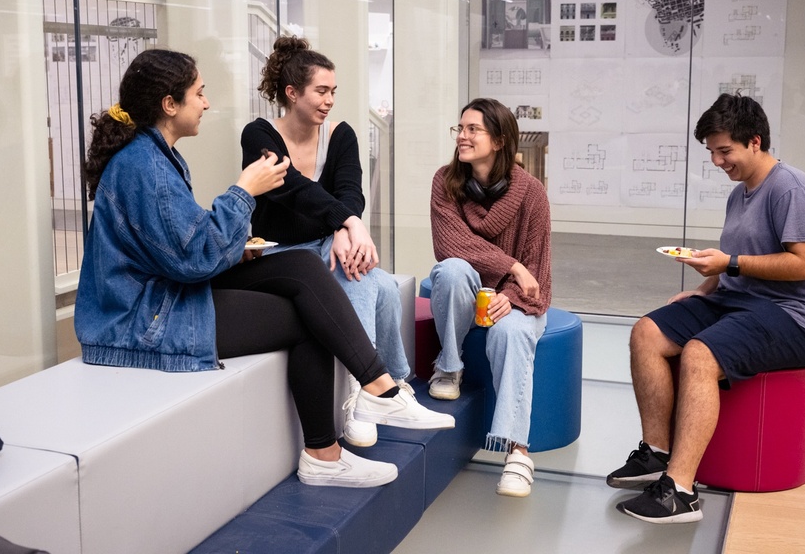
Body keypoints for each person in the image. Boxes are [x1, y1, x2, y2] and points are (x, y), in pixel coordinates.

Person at [74, 48, 454, 489]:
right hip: (143, 320)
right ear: (169, 104)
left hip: (166, 295)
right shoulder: (146, 165)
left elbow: (182, 246)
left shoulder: (154, 156)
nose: (207, 103)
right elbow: (194, 259)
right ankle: (333, 446)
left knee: (300, 268)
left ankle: (376, 392)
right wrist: (243, 191)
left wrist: (244, 230)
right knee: (309, 316)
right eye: (199, 93)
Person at [608, 93, 805, 524]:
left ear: (755, 142)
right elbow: (737, 254)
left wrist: (728, 264)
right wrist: (707, 287)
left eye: (724, 151)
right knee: (647, 333)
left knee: (700, 355)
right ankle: (656, 452)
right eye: (711, 151)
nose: (717, 161)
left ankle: (681, 492)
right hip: (739, 300)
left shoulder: (793, 189)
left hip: (798, 316)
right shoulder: (741, 192)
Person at [240, 36, 416, 448]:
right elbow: (291, 189)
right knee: (379, 284)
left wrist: (342, 229)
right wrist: (346, 222)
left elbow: (350, 191)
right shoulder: (258, 133)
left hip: (325, 242)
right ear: (292, 92)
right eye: (321, 91)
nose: (329, 100)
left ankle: (371, 393)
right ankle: (379, 386)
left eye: (333, 91)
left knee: (364, 271)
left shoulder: (341, 134)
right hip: (280, 251)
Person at [426, 98, 552, 497]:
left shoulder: (531, 193)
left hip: (515, 298)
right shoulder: (445, 181)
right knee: (451, 269)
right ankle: (449, 367)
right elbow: (451, 244)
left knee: (511, 333)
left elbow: (537, 273)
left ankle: (517, 452)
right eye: (459, 129)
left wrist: (511, 297)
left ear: (498, 140)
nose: (462, 136)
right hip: (469, 286)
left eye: (472, 130)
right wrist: (511, 266)